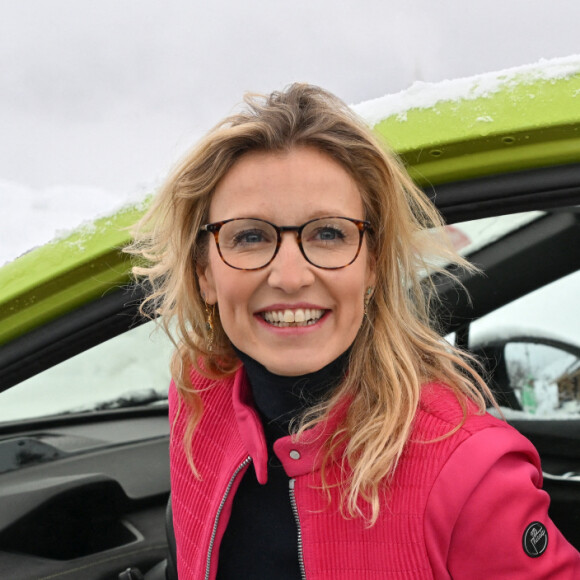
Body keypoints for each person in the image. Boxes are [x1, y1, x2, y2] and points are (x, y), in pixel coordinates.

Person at [129, 84, 580, 579]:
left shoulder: (469, 470)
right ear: (204, 273)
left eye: (327, 234)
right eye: (250, 236)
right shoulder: (197, 396)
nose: (290, 276)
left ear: (372, 264)